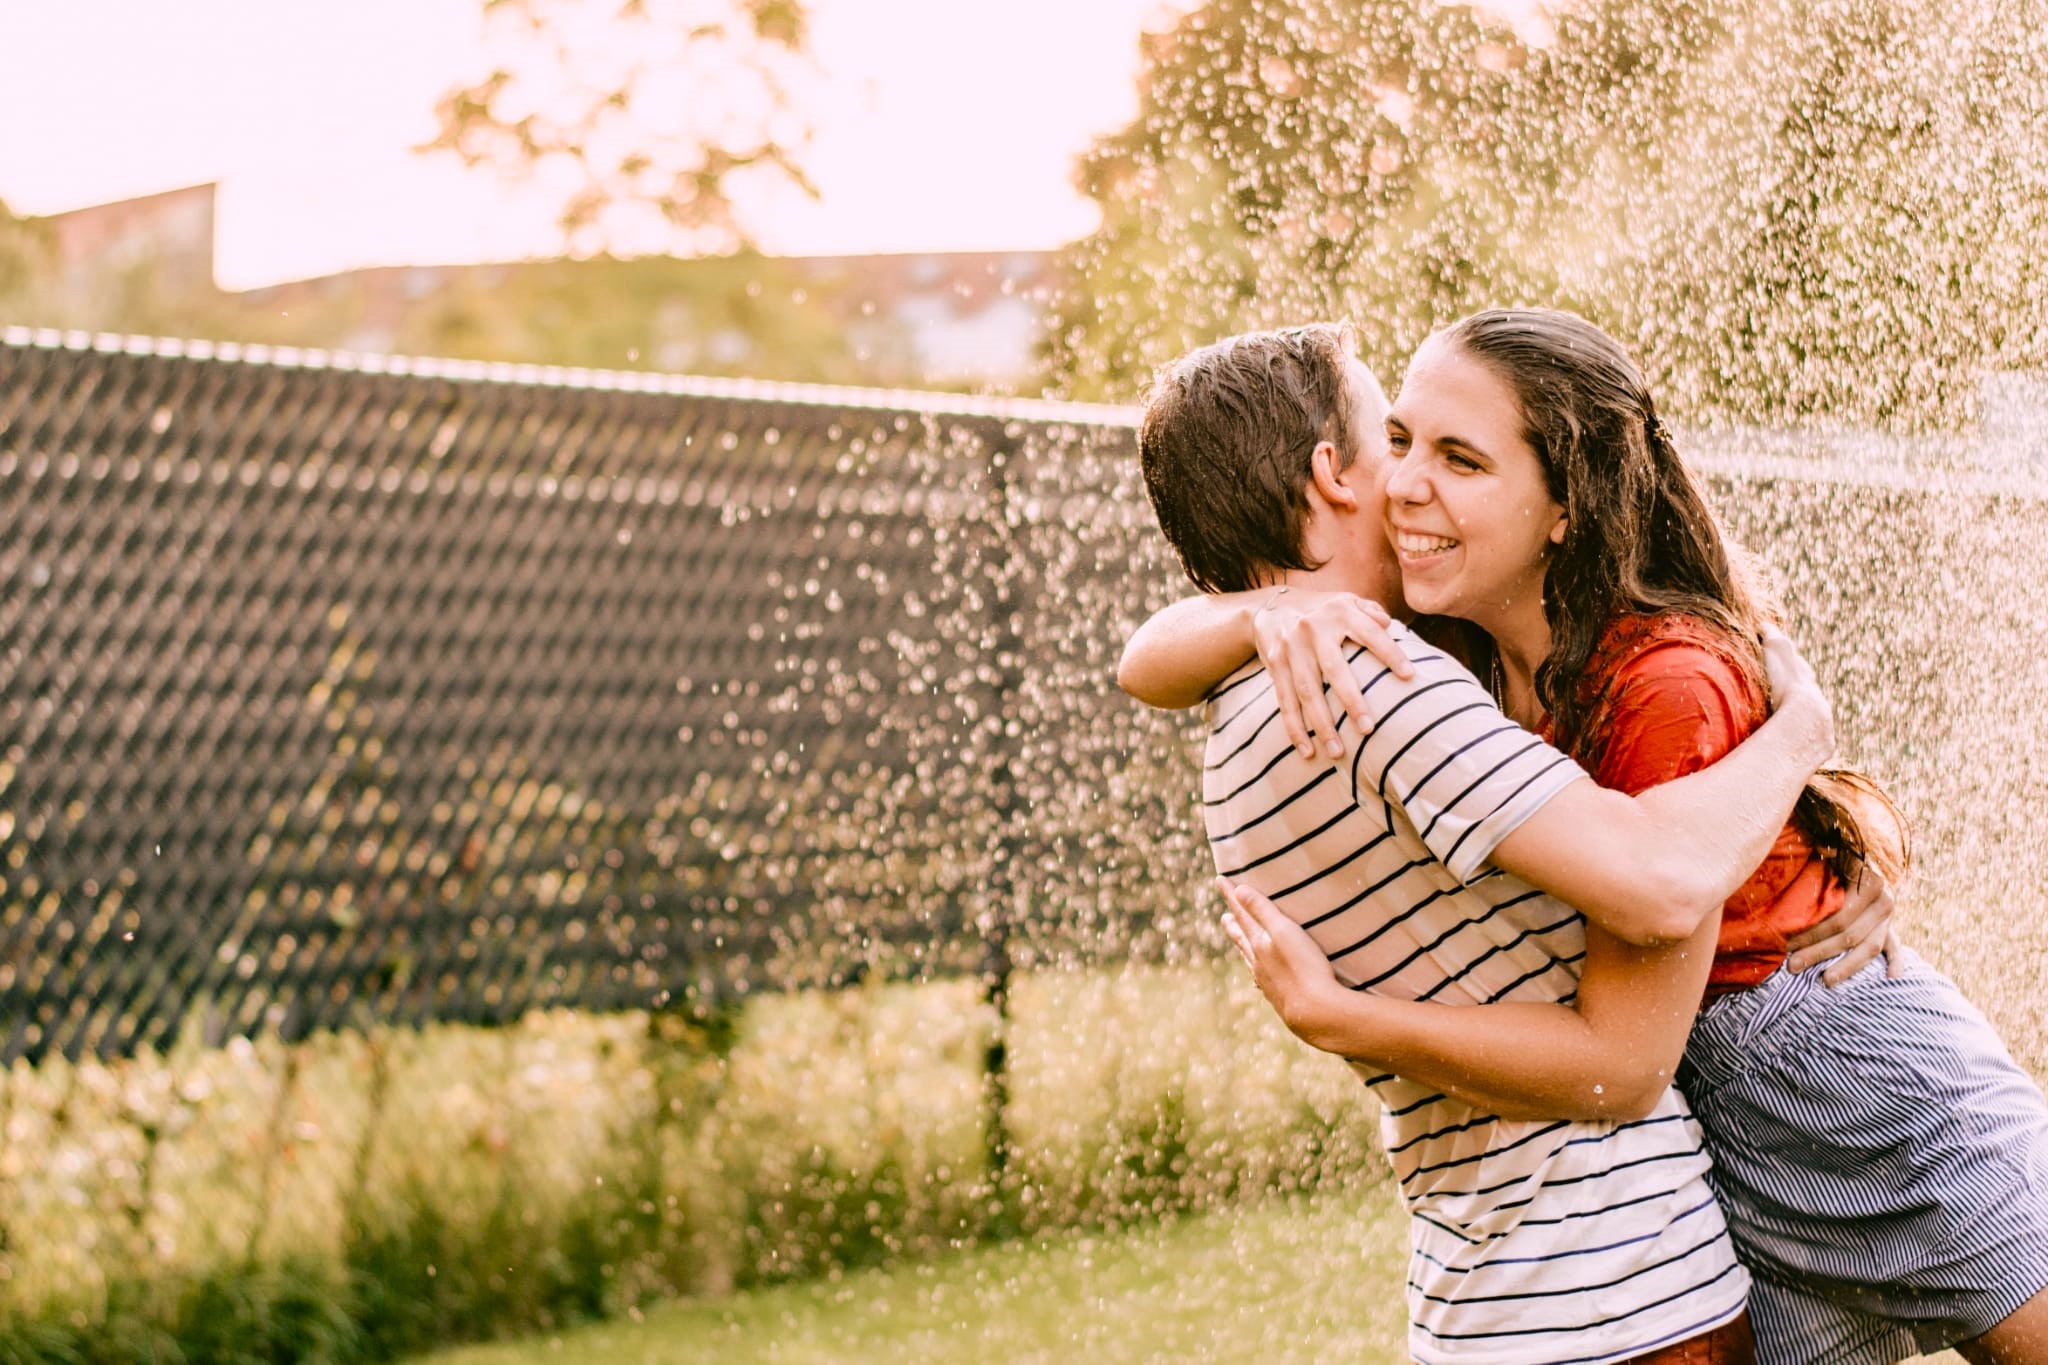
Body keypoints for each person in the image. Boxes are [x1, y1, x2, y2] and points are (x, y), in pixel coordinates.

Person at [1123, 309, 2048, 1363]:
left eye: (1453, 455)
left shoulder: (1641, 675)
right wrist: (1254, 614)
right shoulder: (1442, 652)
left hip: (1835, 1067)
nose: (1408, 480)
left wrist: (1804, 740)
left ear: (1561, 505)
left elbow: (1666, 883)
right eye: (1399, 439)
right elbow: (1140, 657)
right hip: (1713, 1130)